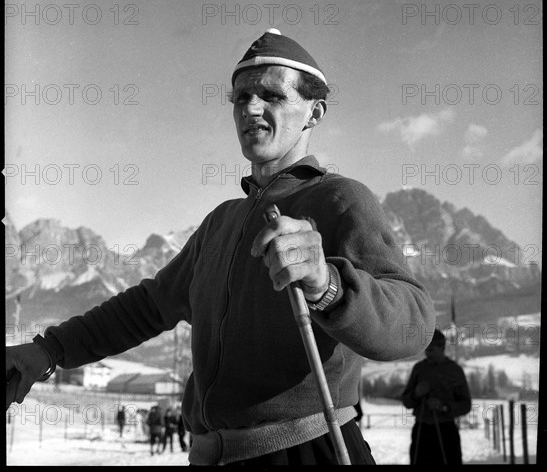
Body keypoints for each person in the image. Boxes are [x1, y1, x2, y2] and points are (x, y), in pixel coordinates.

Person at [5, 29, 436, 466]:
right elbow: (146, 307)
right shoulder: (220, 222)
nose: (250, 107)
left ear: (314, 112)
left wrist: (328, 285)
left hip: (308, 451)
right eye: (240, 96)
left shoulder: (340, 199)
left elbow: (414, 323)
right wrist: (49, 350)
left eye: (271, 95)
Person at [401, 329, 472, 465]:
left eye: (431, 349)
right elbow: (406, 401)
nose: (427, 353)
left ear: (442, 348)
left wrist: (443, 407)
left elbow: (466, 405)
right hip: (422, 431)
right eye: (425, 349)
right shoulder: (419, 369)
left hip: (446, 431)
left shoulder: (454, 370)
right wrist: (416, 393)